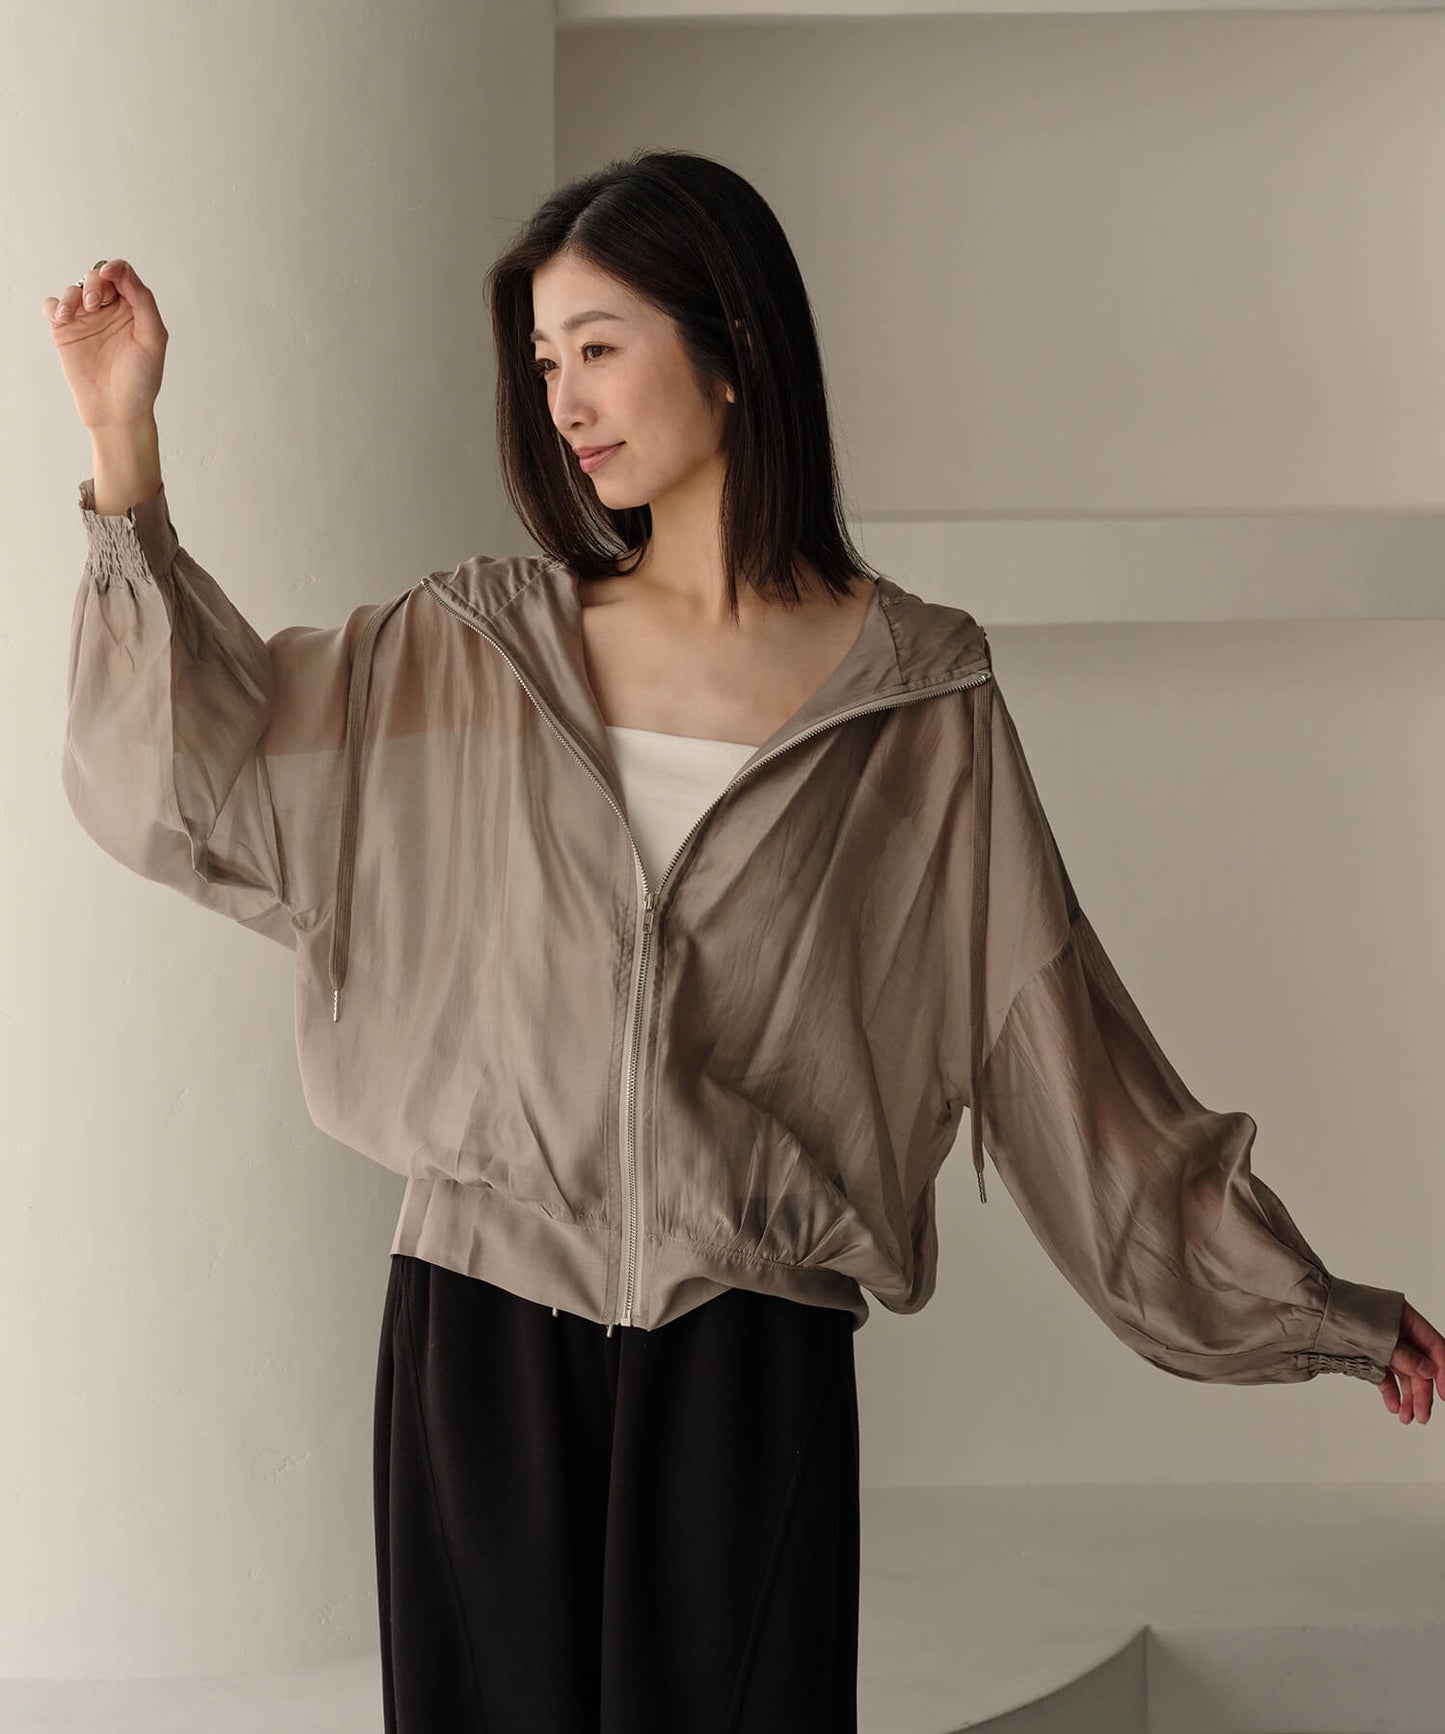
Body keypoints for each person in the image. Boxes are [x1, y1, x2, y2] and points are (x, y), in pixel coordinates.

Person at [48, 149, 1444, 1734]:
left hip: (747, 1358)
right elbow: (196, 778)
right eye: (544, 363)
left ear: (734, 349)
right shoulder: (474, 649)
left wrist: (1308, 1306)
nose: (566, 401)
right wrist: (123, 447)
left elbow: (1059, 1048)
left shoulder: (914, 698)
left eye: (598, 347)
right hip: (481, 1335)